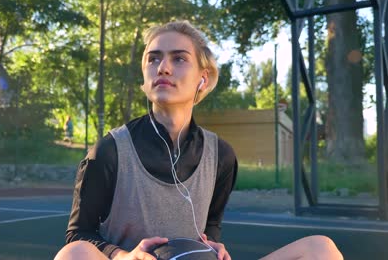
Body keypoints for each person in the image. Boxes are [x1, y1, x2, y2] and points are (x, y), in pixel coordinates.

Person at [55, 21, 343, 260]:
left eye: (178, 58)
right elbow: (78, 234)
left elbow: (211, 225)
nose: (163, 68)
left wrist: (212, 245)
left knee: (321, 248)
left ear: (202, 79)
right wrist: (122, 256)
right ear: (144, 75)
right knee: (73, 254)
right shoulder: (109, 150)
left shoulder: (221, 156)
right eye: (153, 58)